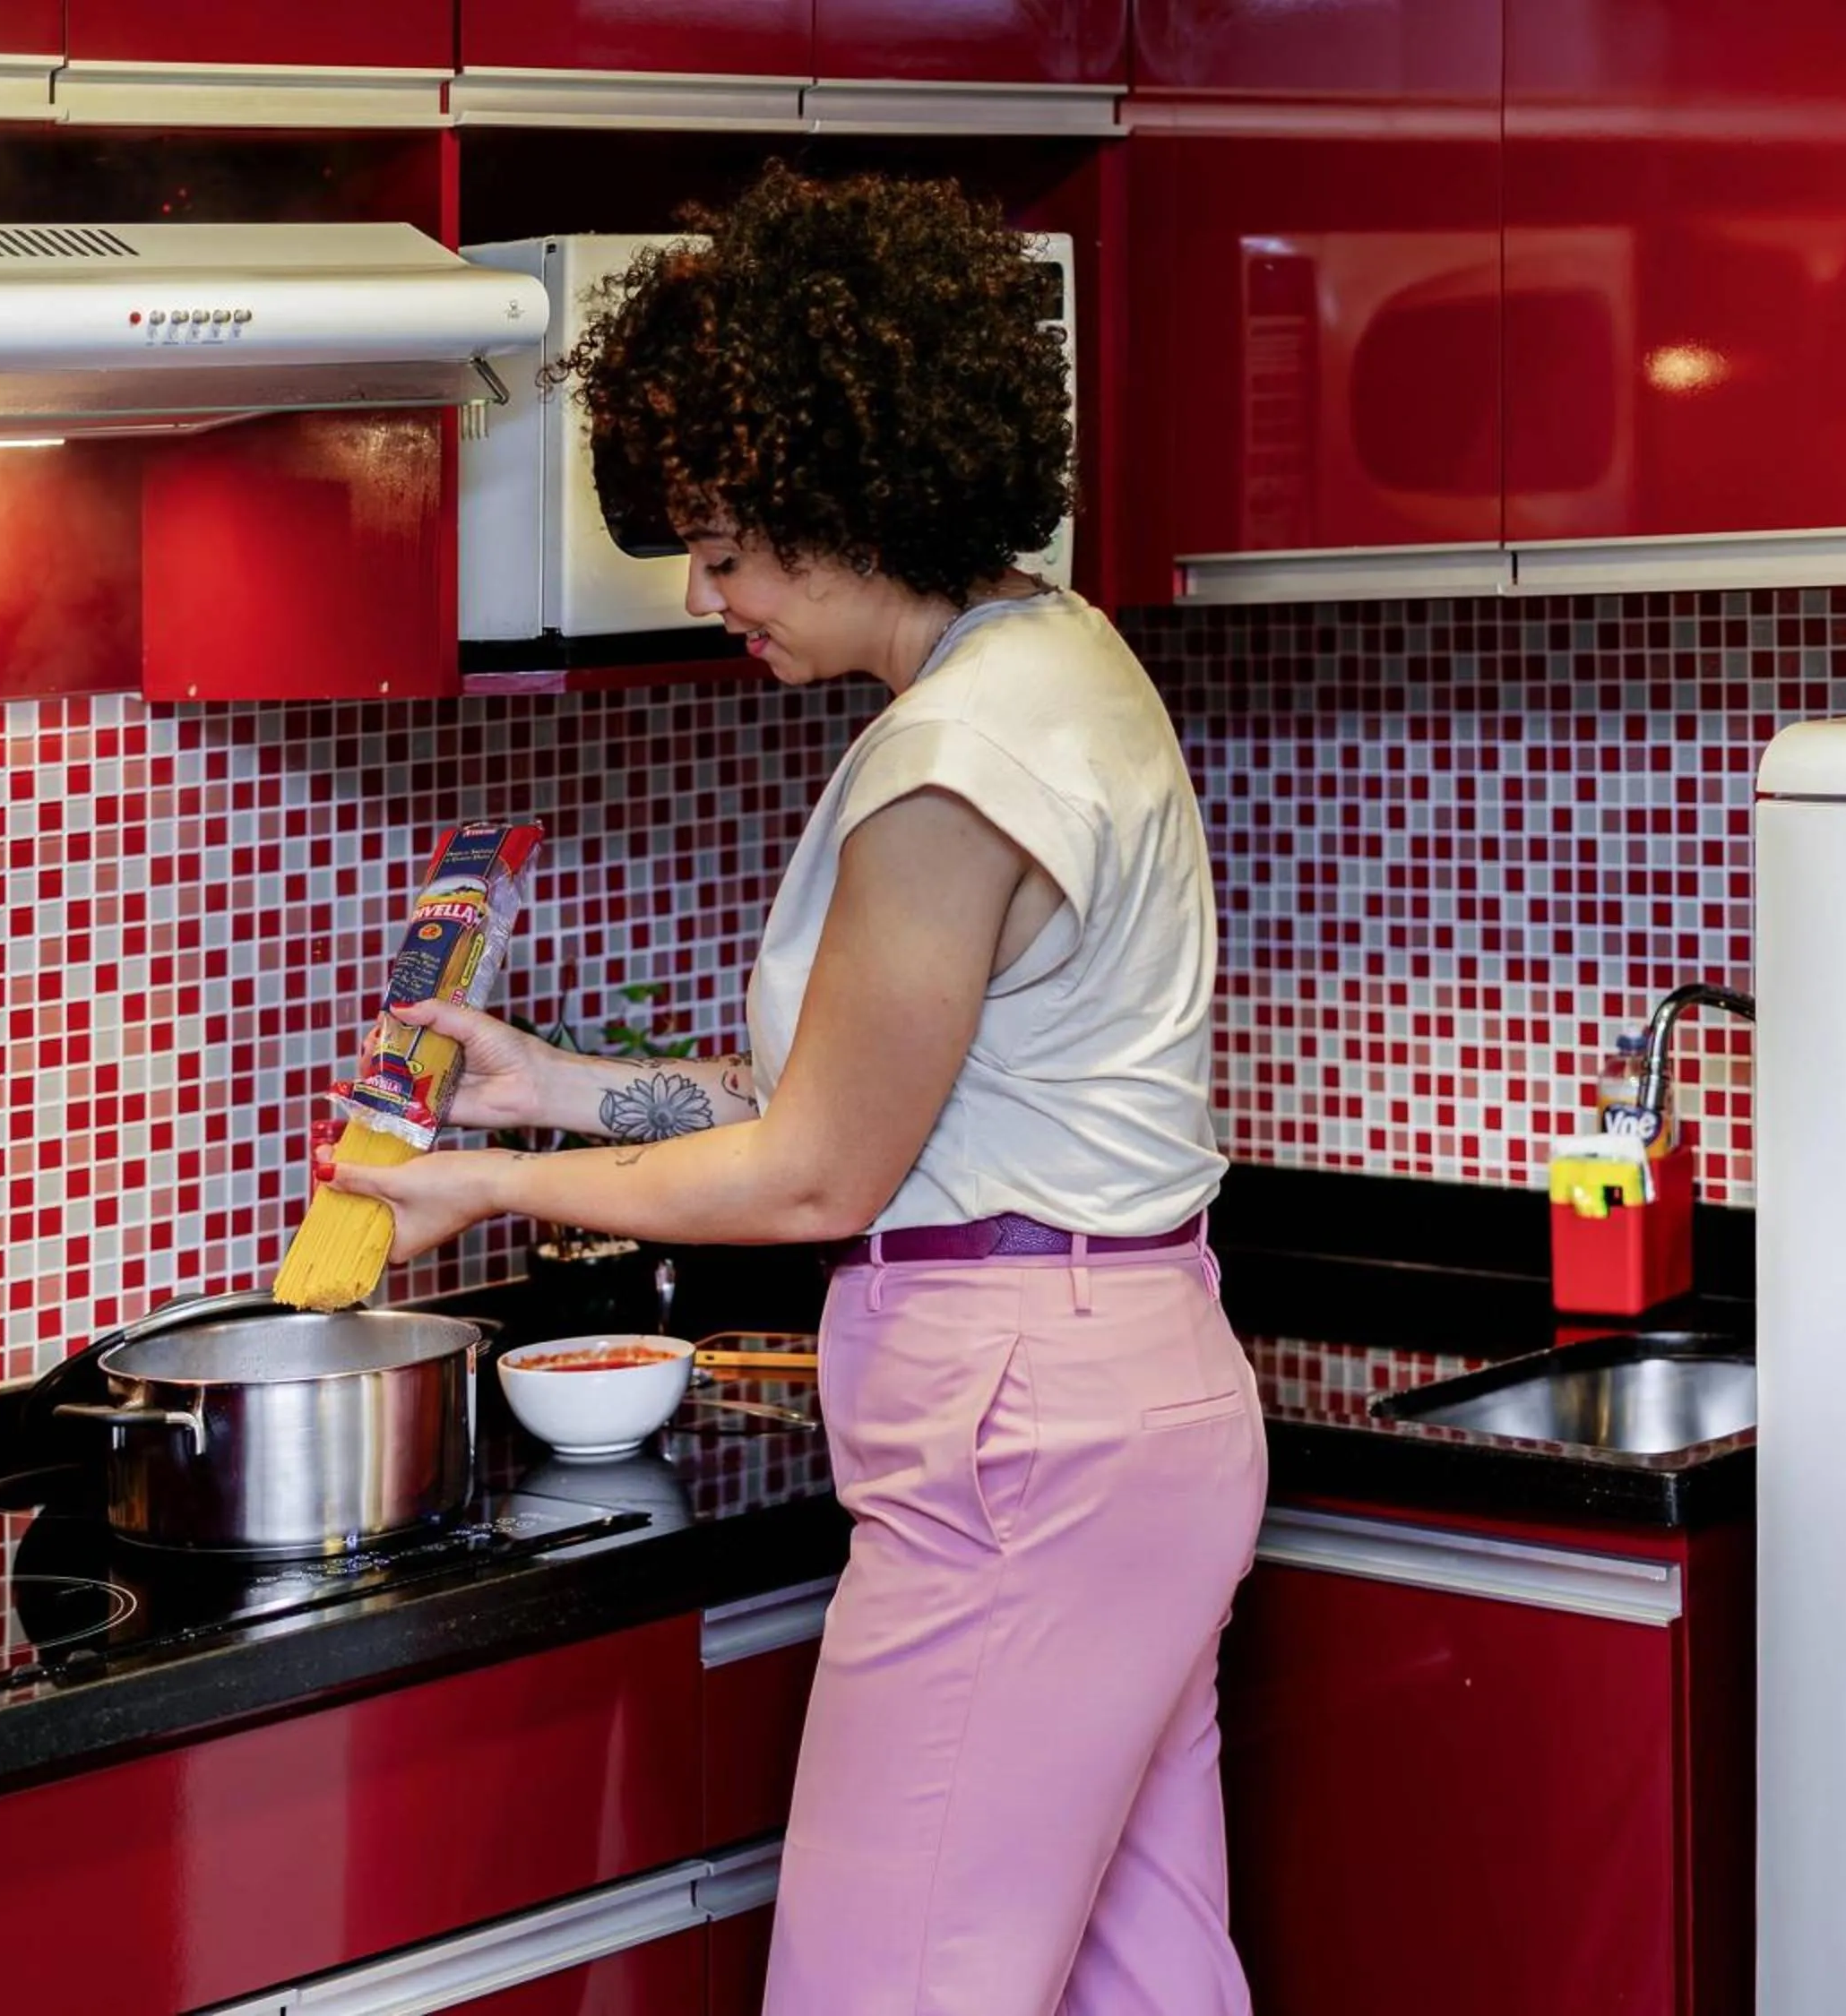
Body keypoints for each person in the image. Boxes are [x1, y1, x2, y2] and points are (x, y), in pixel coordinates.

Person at [323, 163, 1267, 2016]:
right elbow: (869, 1100)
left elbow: (825, 1173)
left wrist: (487, 1190)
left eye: (734, 541)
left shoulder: (950, 770)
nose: (706, 590)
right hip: (1123, 1396)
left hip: (1018, 1439)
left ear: (853, 500)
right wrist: (556, 1089)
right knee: (1131, 1984)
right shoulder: (1059, 662)